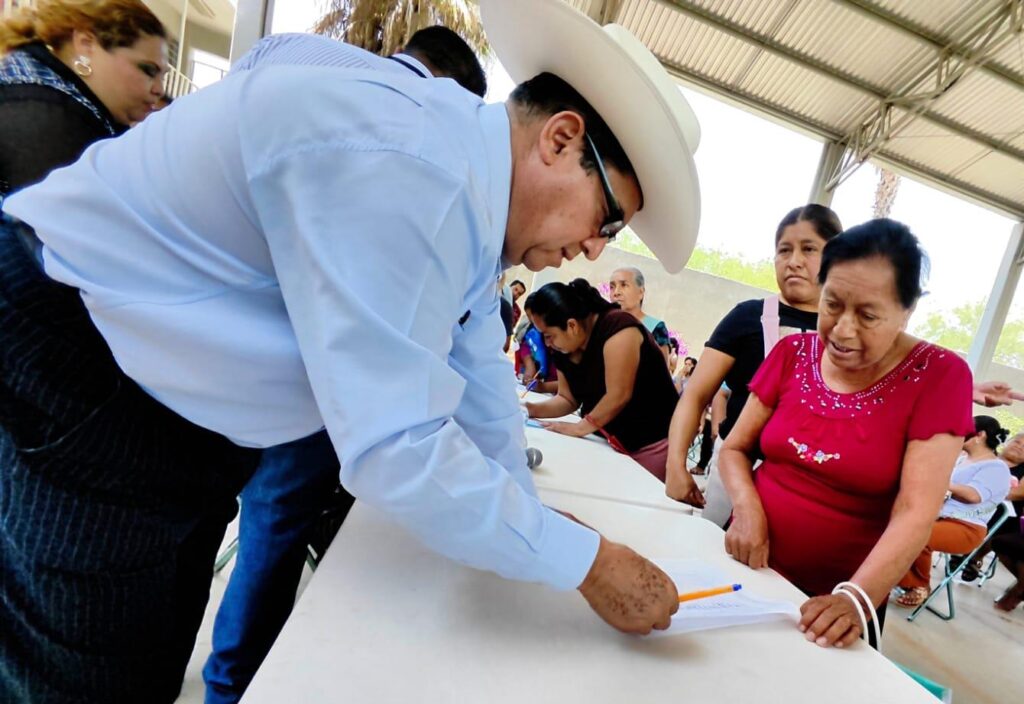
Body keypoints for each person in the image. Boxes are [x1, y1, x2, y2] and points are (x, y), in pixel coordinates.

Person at [0, 0, 702, 699]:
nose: (594, 250)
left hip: (163, 387)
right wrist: (587, 562)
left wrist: (530, 515)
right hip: (87, 351)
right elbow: (398, 446)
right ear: (560, 138)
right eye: (608, 219)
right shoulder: (415, 164)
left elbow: (480, 374)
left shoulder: (456, 173)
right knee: (87, 677)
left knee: (149, 657)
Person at [202, 27, 495, 704]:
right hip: (303, 368)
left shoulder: (289, 54)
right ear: (450, 92)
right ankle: (233, 688)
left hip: (211, 342)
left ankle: (192, 675)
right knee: (275, 530)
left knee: (202, 520)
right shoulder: (410, 127)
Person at [718, 219, 974, 650]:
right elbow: (735, 450)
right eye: (832, 305)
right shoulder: (791, 352)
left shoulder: (940, 376)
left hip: (834, 605)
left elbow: (916, 510)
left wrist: (855, 599)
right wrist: (746, 509)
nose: (842, 330)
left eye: (868, 316)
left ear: (908, 310)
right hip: (747, 564)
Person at [664, 204, 843, 512]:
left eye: (809, 249)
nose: (794, 261)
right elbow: (695, 396)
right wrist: (675, 465)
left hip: (805, 487)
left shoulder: (845, 332)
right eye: (784, 250)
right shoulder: (747, 317)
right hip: (732, 473)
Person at [0, 0, 167, 200]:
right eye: (148, 70)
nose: (159, 89)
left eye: (162, 76)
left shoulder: (39, 90)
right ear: (86, 44)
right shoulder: (47, 117)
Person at [524, 279, 680, 481]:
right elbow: (567, 398)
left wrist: (580, 427)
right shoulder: (563, 347)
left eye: (549, 335)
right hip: (607, 440)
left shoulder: (619, 329)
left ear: (571, 325)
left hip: (651, 443)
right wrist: (528, 410)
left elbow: (618, 394)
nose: (547, 343)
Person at [892, 416, 1011, 607]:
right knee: (893, 526)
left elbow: (974, 495)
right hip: (940, 518)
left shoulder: (996, 467)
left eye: (965, 431)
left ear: (980, 435)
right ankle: (895, 577)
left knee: (916, 535)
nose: (959, 435)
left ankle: (919, 585)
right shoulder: (963, 459)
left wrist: (941, 482)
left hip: (967, 528)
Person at [958, 430, 1024, 582]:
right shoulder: (986, 457)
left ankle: (974, 556)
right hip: (966, 504)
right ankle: (965, 552)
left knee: (999, 517)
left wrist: (985, 490)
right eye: (1017, 442)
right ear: (1006, 443)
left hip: (1002, 517)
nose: (1019, 447)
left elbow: (1019, 492)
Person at [609, 266, 672, 363]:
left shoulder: (655, 328)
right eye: (612, 287)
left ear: (640, 292)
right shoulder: (605, 324)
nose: (616, 292)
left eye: (624, 285)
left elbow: (661, 370)